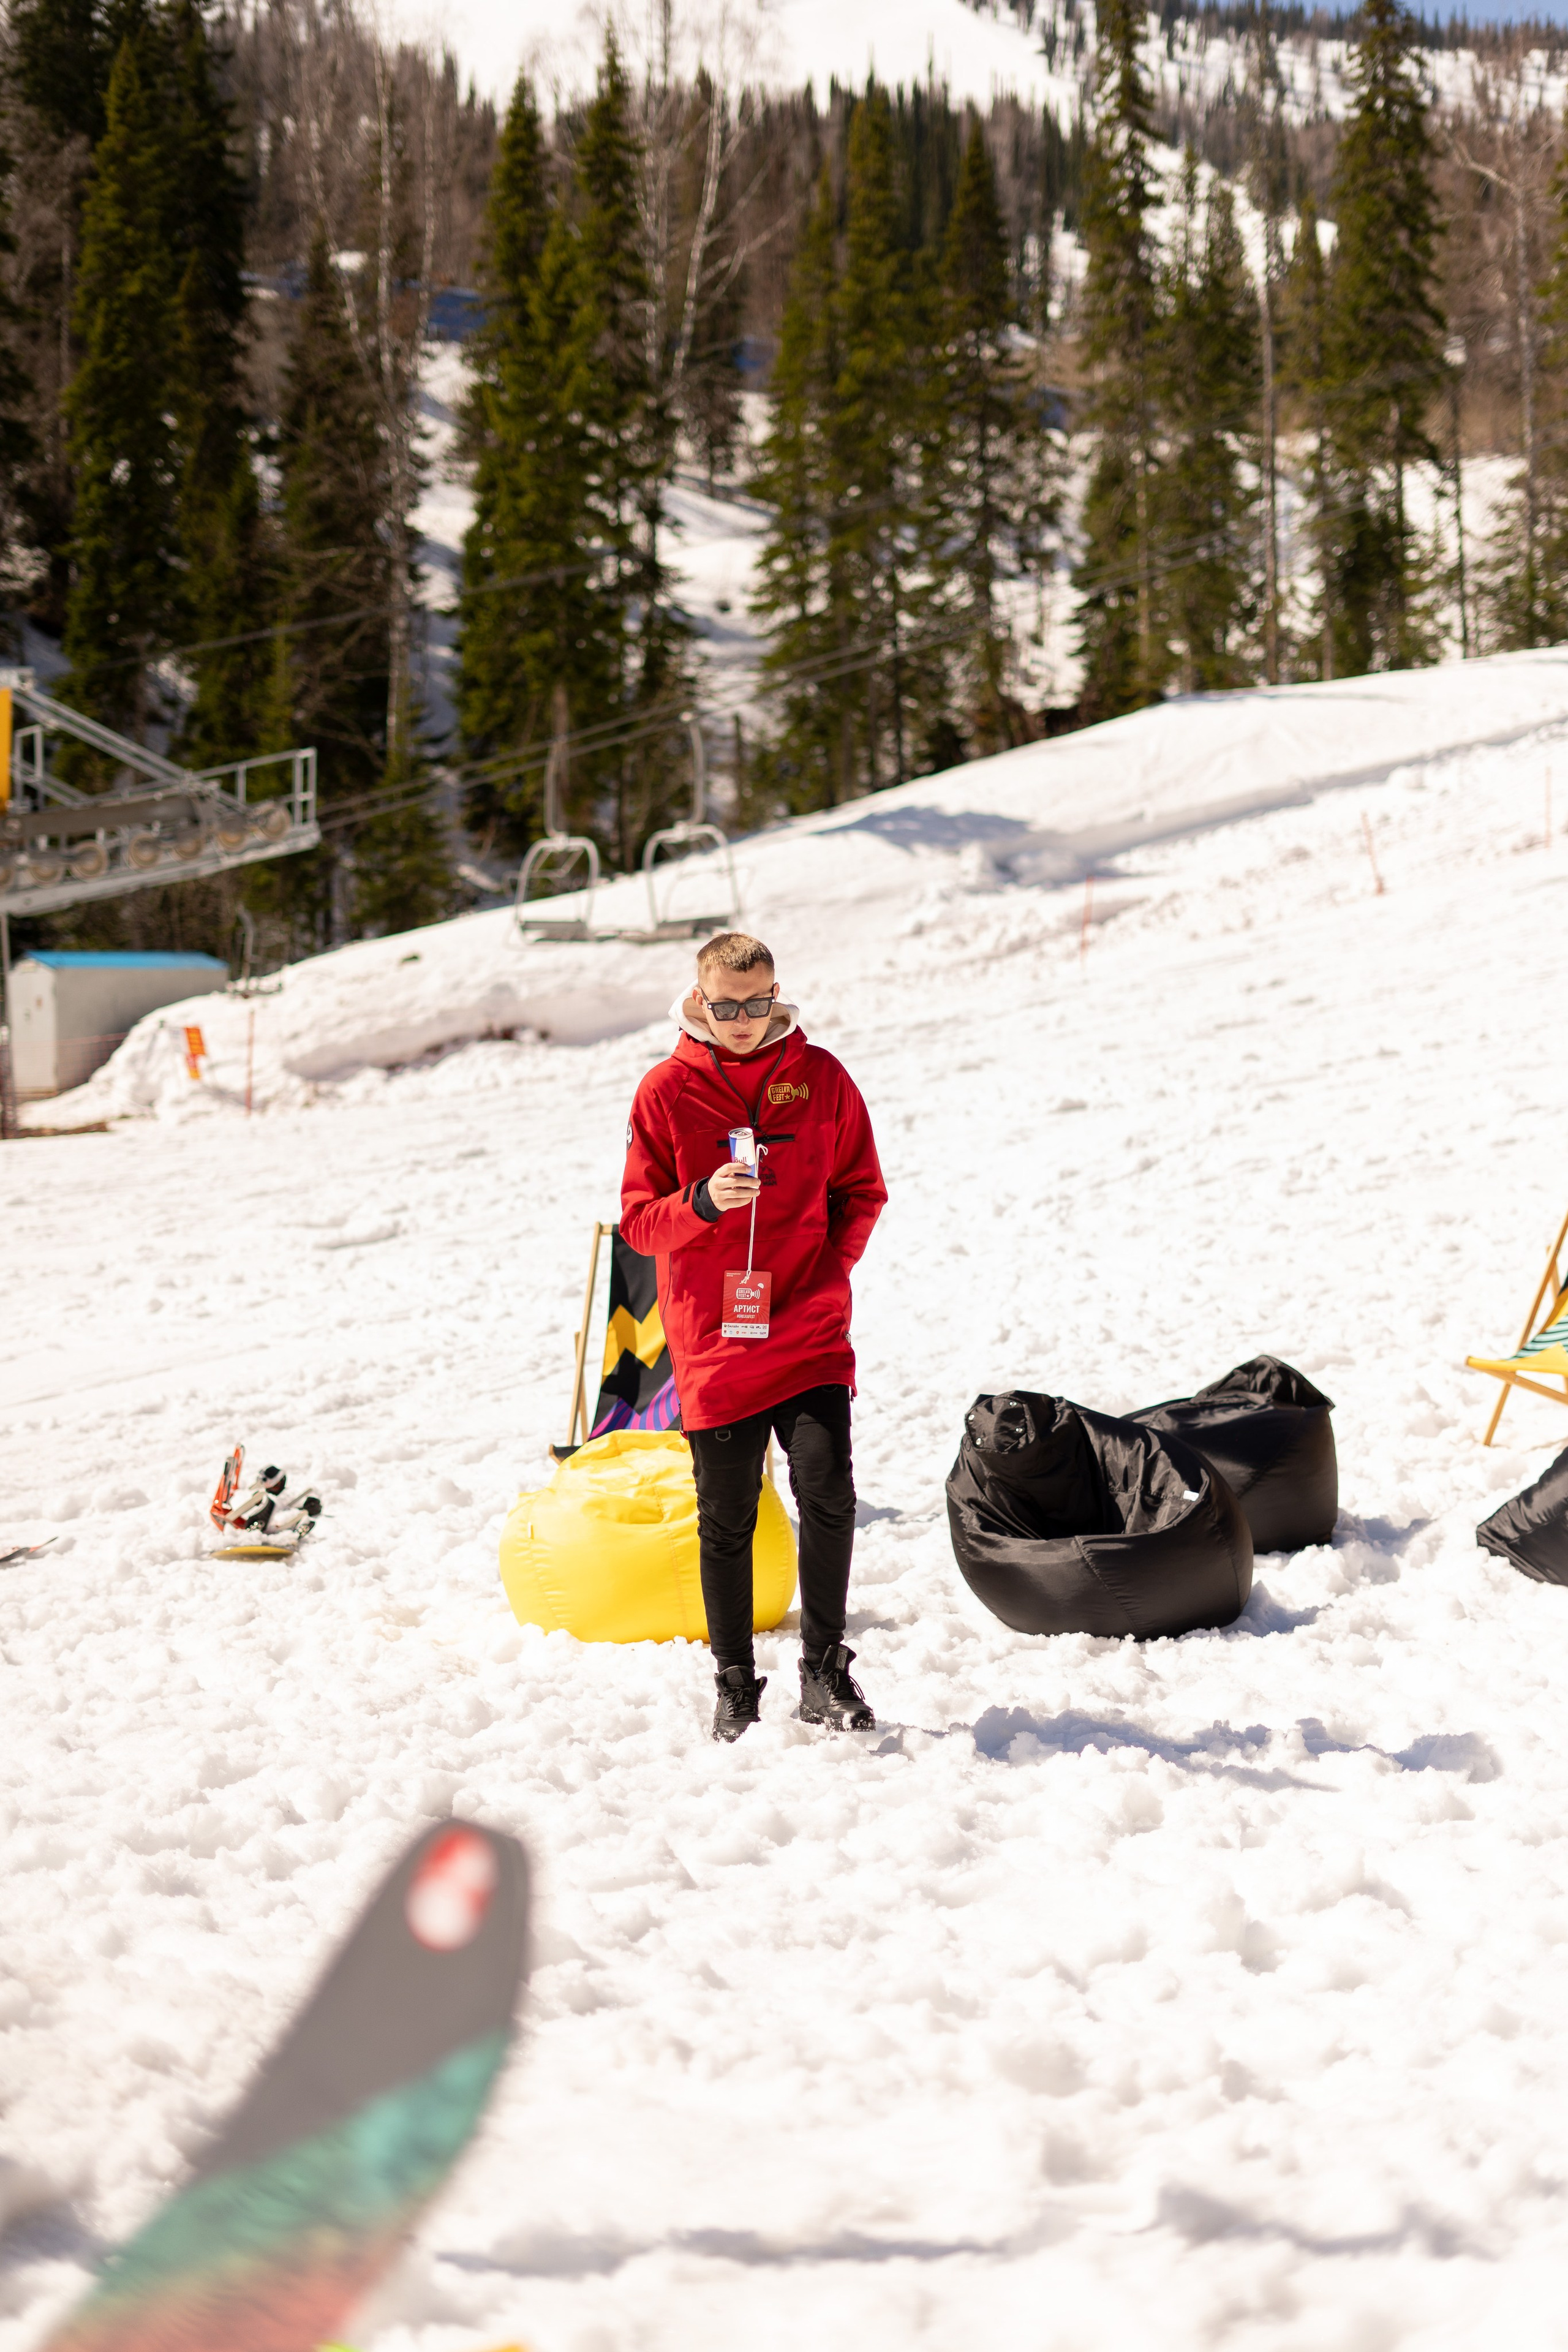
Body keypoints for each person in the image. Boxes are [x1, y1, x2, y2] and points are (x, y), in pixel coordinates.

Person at [620, 932, 887, 1742]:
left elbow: (862, 1190)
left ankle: (824, 1672)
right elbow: (638, 1224)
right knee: (726, 1517)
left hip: (807, 1333)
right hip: (714, 1341)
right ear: (700, 999)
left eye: (757, 1003)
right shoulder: (666, 1092)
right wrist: (700, 1203)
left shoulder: (821, 1079)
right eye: (726, 1006)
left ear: (777, 996)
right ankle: (735, 1683)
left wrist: (823, 1277)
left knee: (828, 1494)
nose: (742, 1020)